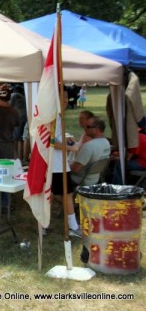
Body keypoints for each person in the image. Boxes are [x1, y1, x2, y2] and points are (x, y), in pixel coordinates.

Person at [49, 94, 82, 238]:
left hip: (58, 163)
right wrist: (70, 148)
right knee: (58, 194)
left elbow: (55, 137)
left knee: (62, 194)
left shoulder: (58, 115)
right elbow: (50, 141)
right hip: (56, 164)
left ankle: (47, 225)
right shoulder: (54, 115)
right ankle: (71, 226)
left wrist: (65, 136)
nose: (66, 100)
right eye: (62, 97)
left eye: (67, 97)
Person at [70, 116, 111, 186]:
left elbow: (75, 170)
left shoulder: (88, 147)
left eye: (88, 127)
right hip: (95, 179)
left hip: (80, 180)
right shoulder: (106, 143)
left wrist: (66, 164)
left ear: (97, 129)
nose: (85, 129)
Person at [10, 85, 27, 162]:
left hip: (18, 117)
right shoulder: (23, 96)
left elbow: (10, 106)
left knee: (16, 138)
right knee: (21, 138)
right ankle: (22, 158)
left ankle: (16, 158)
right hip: (25, 116)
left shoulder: (14, 95)